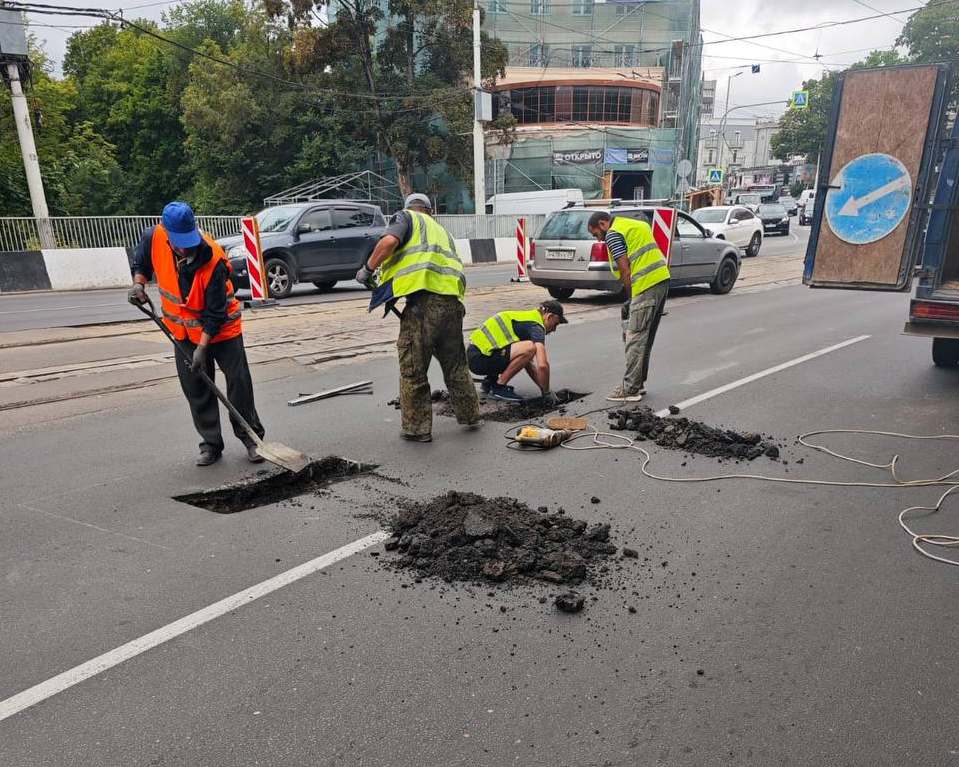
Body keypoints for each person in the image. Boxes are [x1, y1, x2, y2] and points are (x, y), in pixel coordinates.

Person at [127, 201, 265, 466]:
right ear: (166, 232)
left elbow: (216, 313)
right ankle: (211, 443)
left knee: (239, 383)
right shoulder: (153, 237)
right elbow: (141, 263)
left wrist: (203, 347)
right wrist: (138, 285)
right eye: (178, 242)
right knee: (196, 387)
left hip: (222, 330)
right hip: (182, 332)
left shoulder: (213, 257)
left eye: (187, 241)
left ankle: (251, 438)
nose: (184, 247)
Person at [356, 193, 480, 443]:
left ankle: (417, 428)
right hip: (452, 304)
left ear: (410, 209)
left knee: (412, 367)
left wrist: (367, 269)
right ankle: (471, 415)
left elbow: (388, 242)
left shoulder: (405, 217)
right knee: (456, 365)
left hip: (424, 304)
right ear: (430, 211)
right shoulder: (442, 232)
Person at [587, 211, 670, 402]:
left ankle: (630, 388)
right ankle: (638, 383)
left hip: (644, 285)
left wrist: (630, 298)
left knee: (635, 338)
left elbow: (625, 268)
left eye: (597, 234)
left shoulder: (614, 234)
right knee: (645, 338)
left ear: (602, 224)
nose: (599, 240)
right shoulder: (634, 225)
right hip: (661, 280)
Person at [466, 300, 567, 403]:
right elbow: (542, 365)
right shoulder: (536, 326)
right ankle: (499, 387)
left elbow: (527, 363)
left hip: (474, 356)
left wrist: (544, 389)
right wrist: (547, 393)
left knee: (527, 350)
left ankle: (491, 382)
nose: (554, 329)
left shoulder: (526, 318)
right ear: (549, 316)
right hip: (480, 359)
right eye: (555, 324)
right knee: (530, 347)